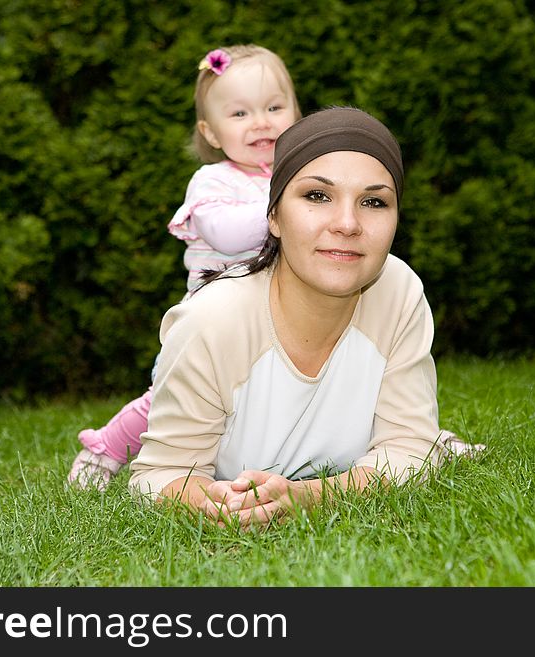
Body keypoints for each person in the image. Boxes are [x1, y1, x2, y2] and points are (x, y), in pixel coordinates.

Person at [128, 107, 484, 528]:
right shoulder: (212, 321)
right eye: (317, 196)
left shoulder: (398, 291)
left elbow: (407, 449)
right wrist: (210, 502)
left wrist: (305, 497)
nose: (347, 223)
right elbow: (159, 474)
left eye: (374, 202)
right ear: (274, 216)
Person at [67, 44, 301, 490]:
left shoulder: (302, 175)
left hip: (282, 321)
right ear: (210, 133)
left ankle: (414, 437)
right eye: (240, 114)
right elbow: (230, 235)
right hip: (214, 324)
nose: (261, 122)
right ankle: (108, 447)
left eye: (274, 107)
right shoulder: (214, 181)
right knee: (172, 402)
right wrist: (288, 206)